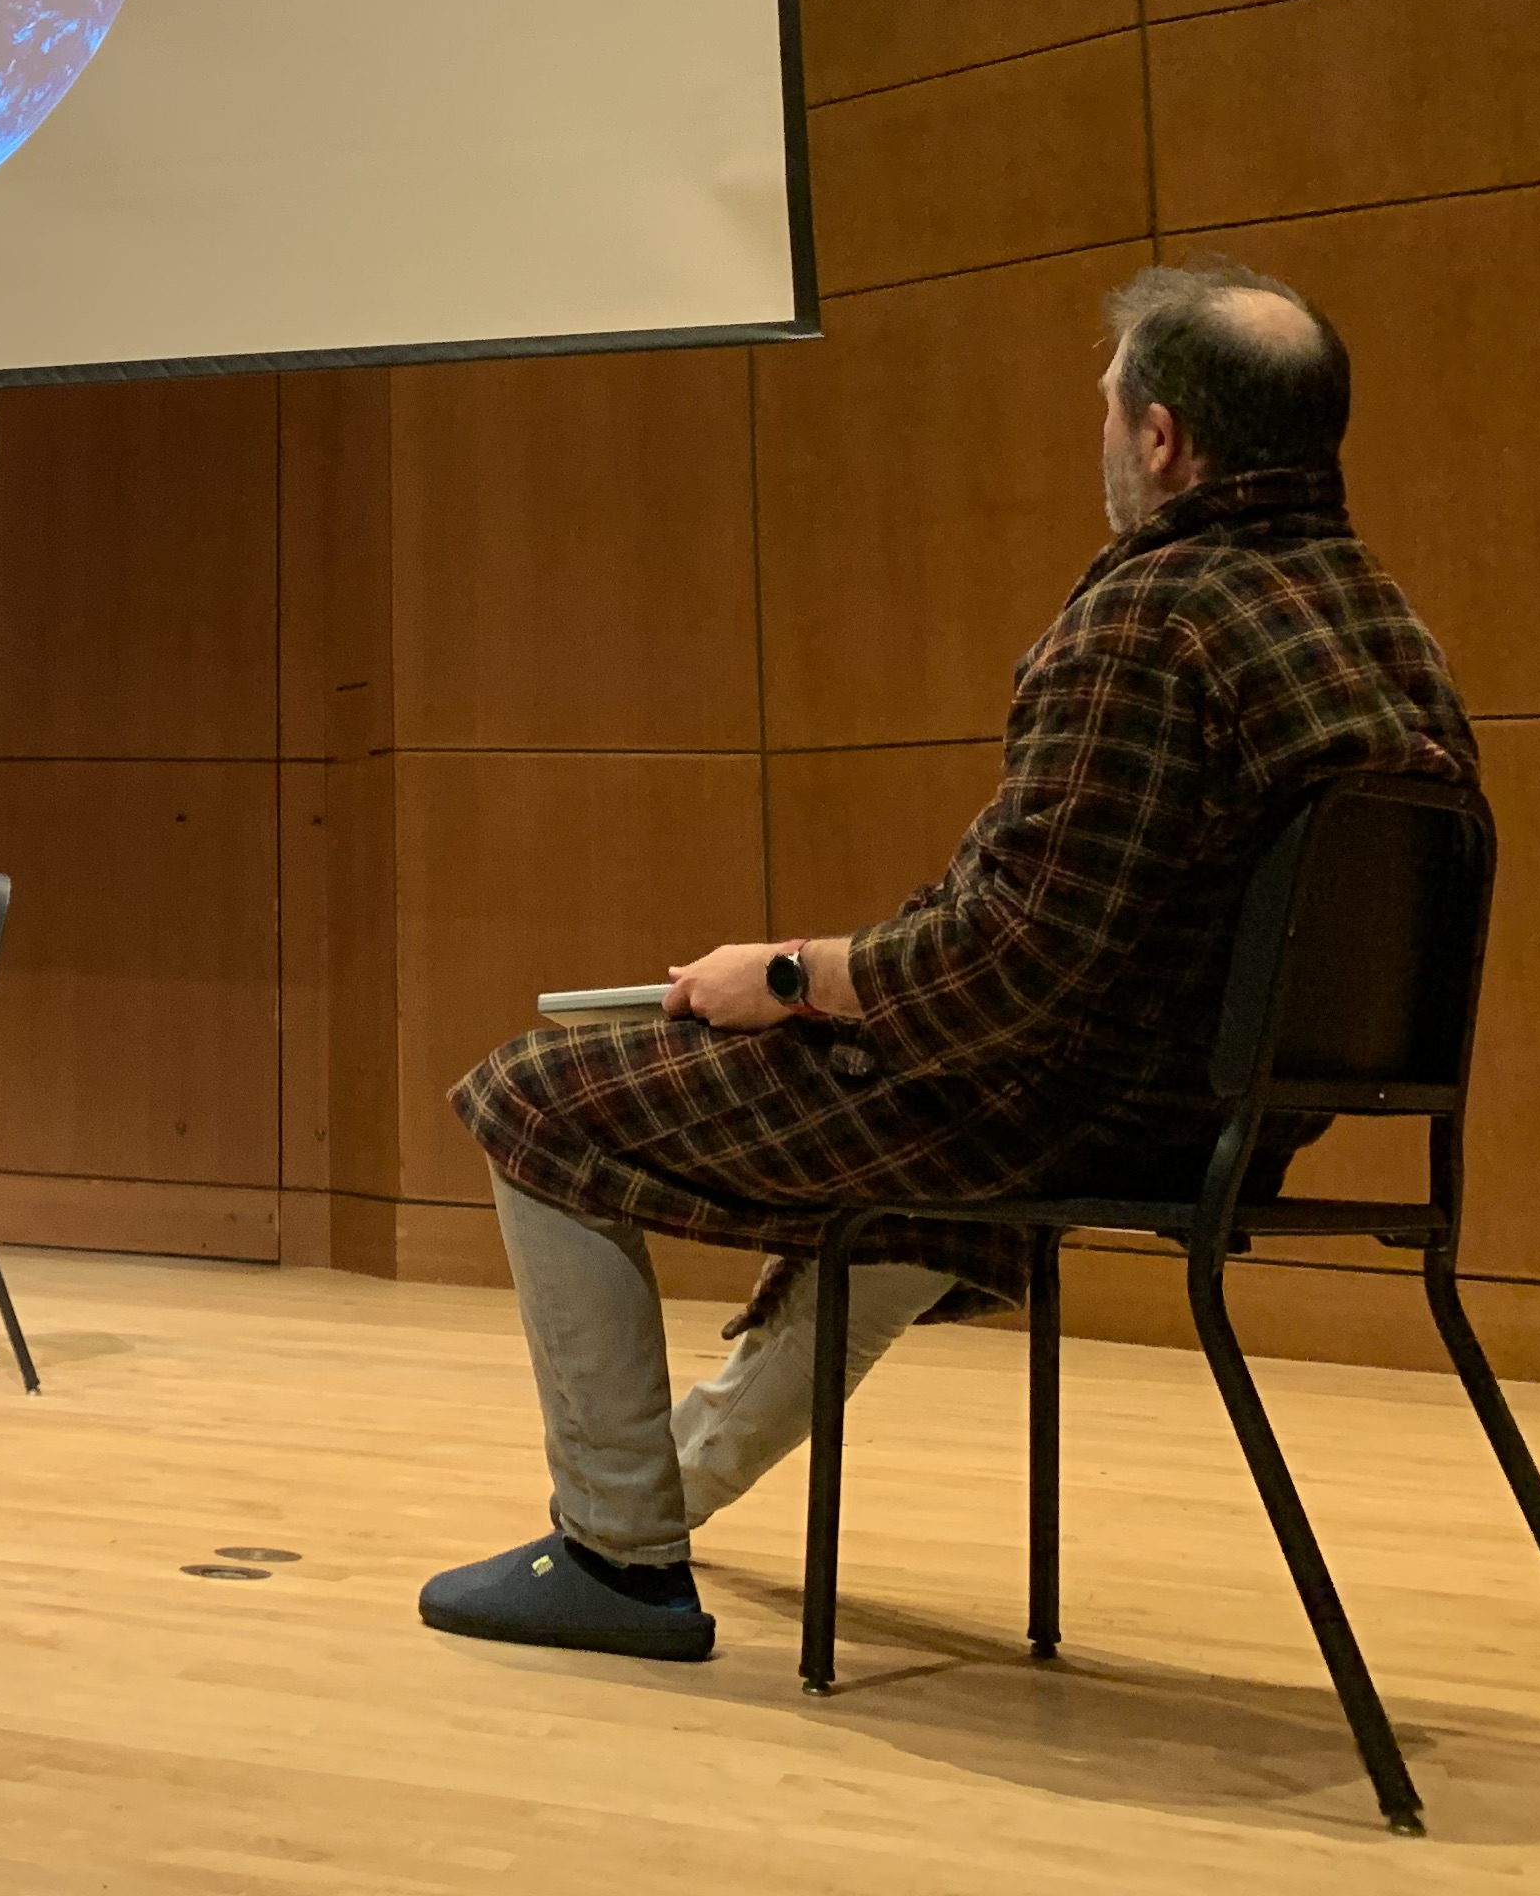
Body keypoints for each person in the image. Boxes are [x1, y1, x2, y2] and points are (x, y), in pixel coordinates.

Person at [419, 262, 1475, 1664]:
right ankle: (670, 1494)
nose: (1101, 436)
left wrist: (786, 980)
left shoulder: (1151, 622)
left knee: (533, 1091)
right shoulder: (1392, 631)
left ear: (1162, 437)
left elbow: (1010, 973)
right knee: (912, 1186)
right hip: (1228, 1119)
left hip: (1067, 1110)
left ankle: (617, 1560)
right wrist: (830, 972)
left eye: (1109, 410)